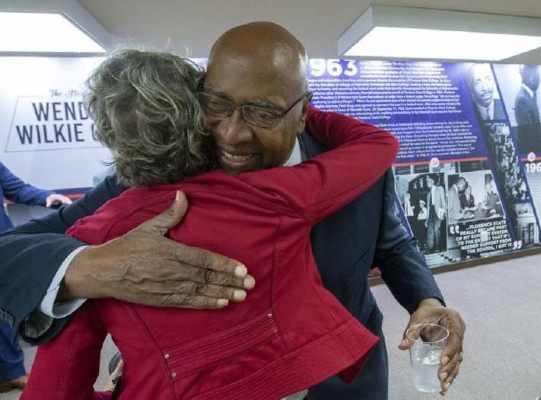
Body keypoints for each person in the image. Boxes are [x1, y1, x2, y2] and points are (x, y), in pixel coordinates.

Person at [0, 22, 465, 399]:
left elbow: (394, 243)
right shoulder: (148, 177)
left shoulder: (355, 165)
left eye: (262, 112)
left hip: (346, 379)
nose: (231, 134)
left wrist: (428, 300)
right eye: (216, 104)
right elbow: (11, 250)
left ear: (303, 112)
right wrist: (92, 266)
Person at [0, 161, 70, 394]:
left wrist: (47, 196)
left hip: (3, 248)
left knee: (4, 312)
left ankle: (11, 373)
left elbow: (18, 189)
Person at [515, 65, 541, 147]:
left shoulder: (531, 95)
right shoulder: (522, 100)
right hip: (530, 149)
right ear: (531, 79)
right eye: (538, 78)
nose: (540, 81)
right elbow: (529, 135)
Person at [425, 174, 447, 253]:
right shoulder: (428, 194)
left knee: (436, 230)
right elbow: (427, 208)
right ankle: (430, 248)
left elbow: (443, 202)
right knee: (430, 230)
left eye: (427, 180)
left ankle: (438, 247)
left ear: (432, 180)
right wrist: (426, 219)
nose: (426, 182)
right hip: (431, 212)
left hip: (438, 211)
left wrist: (444, 213)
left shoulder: (439, 188)